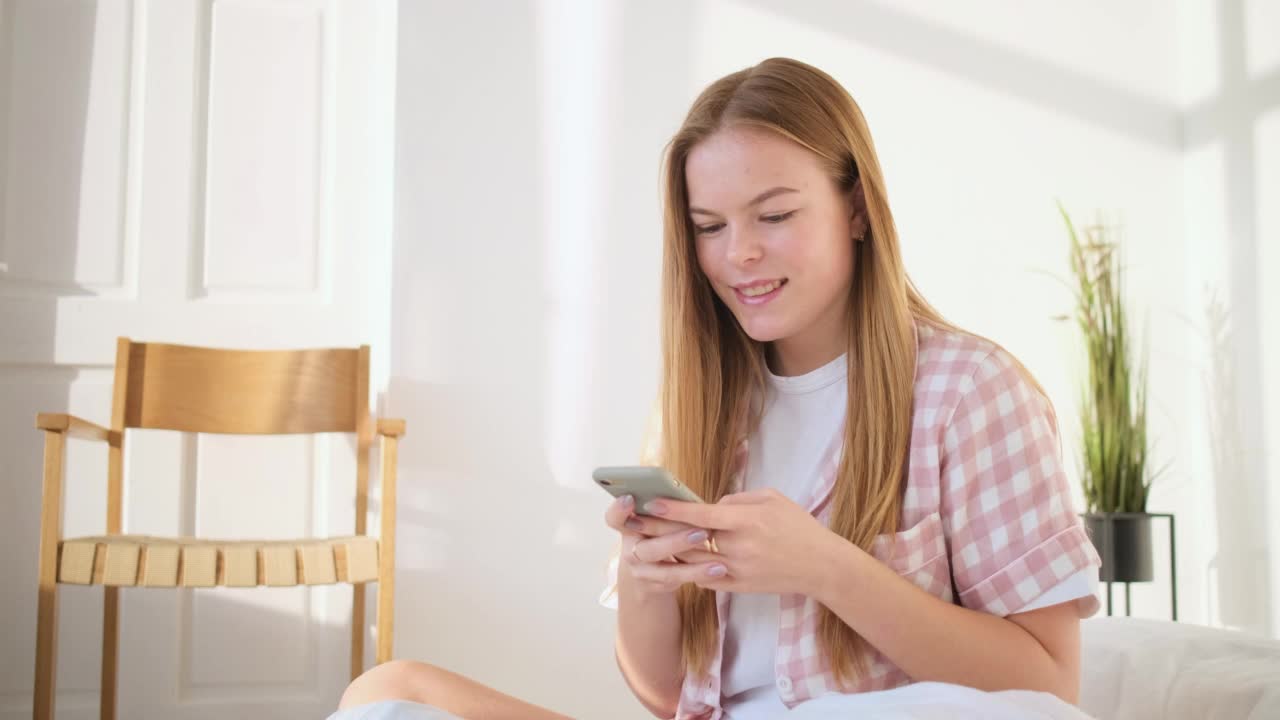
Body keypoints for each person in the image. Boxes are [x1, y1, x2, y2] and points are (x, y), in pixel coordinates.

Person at [331, 56, 1102, 720]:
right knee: (392, 687)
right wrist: (648, 584)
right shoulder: (707, 403)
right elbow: (666, 697)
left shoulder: (971, 393)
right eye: (709, 226)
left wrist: (829, 568)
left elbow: (1047, 690)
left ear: (858, 210)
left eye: (774, 214)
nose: (740, 254)